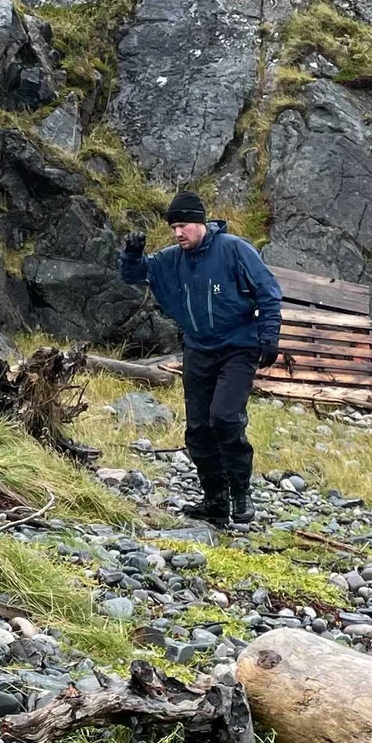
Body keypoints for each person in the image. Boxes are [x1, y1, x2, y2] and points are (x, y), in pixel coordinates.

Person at [120, 192, 283, 526]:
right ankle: (215, 501)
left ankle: (241, 494)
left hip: (238, 347)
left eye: (183, 226)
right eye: (174, 228)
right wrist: (132, 254)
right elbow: (136, 275)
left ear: (200, 223)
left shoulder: (234, 250)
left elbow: (268, 292)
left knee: (224, 417)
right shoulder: (172, 259)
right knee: (197, 429)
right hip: (198, 349)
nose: (178, 233)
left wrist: (269, 336)